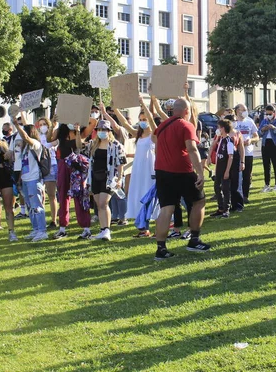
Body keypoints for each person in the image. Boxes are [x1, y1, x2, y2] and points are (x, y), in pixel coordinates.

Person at [153, 99, 210, 260]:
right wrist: (200, 172)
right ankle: (194, 239)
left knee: (167, 209)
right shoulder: (186, 126)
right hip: (182, 171)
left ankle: (161, 249)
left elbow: (155, 145)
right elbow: (192, 149)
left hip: (162, 171)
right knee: (199, 201)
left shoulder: (162, 126)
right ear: (186, 110)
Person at [113, 97, 159, 237]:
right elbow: (125, 123)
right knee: (139, 196)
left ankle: (158, 228)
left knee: (154, 198)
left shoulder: (154, 135)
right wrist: (114, 110)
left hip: (150, 170)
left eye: (145, 119)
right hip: (138, 171)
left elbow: (151, 118)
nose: (143, 122)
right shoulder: (137, 135)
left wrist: (144, 105)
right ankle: (143, 229)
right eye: (141, 119)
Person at [84, 120, 127, 241]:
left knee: (104, 203)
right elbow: (79, 146)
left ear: (109, 131)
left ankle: (107, 230)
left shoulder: (116, 145)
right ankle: (103, 229)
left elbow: (121, 163)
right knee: (99, 204)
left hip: (109, 178)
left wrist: (119, 178)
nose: (101, 132)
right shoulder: (93, 144)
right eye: (99, 130)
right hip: (95, 177)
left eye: (104, 130)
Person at [53, 116, 95, 239]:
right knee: (63, 195)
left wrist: (81, 115)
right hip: (63, 164)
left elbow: (79, 144)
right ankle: (62, 228)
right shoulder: (61, 131)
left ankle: (86, 228)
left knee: (80, 195)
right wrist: (52, 124)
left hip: (76, 166)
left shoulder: (81, 132)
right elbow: (50, 138)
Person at [11, 117, 49, 242]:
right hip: (25, 180)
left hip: (34, 179)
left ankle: (42, 231)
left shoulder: (35, 144)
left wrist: (17, 125)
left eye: (23, 133)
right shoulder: (24, 149)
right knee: (30, 206)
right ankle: (36, 229)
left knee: (37, 205)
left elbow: (27, 138)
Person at [234, 104, 259, 203]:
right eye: (243, 110)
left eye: (246, 109)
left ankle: (245, 196)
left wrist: (251, 140)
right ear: (237, 111)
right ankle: (236, 195)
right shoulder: (233, 123)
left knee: (247, 175)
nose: (245, 111)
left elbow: (256, 136)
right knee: (236, 175)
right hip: (236, 152)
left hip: (248, 152)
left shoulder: (250, 121)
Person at [37, 116, 58, 229]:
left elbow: (52, 144)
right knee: (40, 195)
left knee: (51, 194)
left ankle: (54, 220)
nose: (42, 127)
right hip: (39, 166)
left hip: (51, 165)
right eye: (40, 125)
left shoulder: (53, 136)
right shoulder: (37, 137)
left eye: (44, 124)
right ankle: (41, 220)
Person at [210, 119, 234, 218]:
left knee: (225, 189)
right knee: (217, 188)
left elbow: (230, 156)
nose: (218, 129)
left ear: (223, 128)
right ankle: (220, 208)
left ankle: (226, 210)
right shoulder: (220, 140)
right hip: (219, 168)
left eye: (219, 127)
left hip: (225, 169)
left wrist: (227, 171)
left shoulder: (228, 140)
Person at [259, 105, 276, 192]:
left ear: (274, 113)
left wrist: (274, 128)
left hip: (275, 144)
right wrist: (263, 129)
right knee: (266, 165)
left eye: (270, 113)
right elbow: (259, 132)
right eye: (267, 113)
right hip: (265, 144)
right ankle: (267, 184)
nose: (268, 115)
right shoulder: (264, 121)